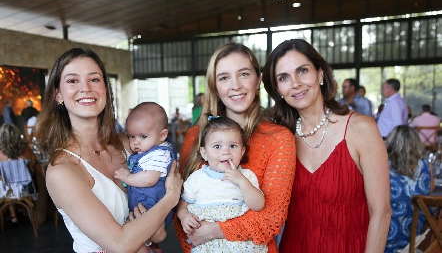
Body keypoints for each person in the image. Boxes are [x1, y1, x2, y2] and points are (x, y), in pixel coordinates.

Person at [34, 48, 182, 253]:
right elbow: (119, 245)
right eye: (72, 81)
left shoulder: (127, 144)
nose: (85, 88)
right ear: (58, 94)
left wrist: (157, 230)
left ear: (105, 88)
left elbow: (166, 175)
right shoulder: (63, 170)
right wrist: (170, 200)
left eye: (94, 79)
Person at [262, 39, 391, 252]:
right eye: (284, 78)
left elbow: (382, 211)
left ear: (320, 74)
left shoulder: (361, 129)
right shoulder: (279, 137)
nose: (295, 83)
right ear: (278, 89)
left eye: (302, 71)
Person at [174, 42, 296, 253]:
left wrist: (214, 231)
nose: (235, 85)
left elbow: (271, 220)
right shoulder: (196, 136)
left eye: (244, 74)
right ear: (215, 87)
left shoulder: (279, 139)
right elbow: (183, 213)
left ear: (258, 81)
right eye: (224, 77)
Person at [180, 116, 266, 252]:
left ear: (242, 152)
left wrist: (242, 182)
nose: (226, 151)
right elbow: (182, 206)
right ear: (204, 153)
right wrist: (184, 216)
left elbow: (258, 205)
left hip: (240, 244)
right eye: (217, 146)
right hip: (208, 245)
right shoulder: (197, 178)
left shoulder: (247, 176)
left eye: (233, 146)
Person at [114, 102, 176, 248]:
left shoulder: (159, 154)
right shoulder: (149, 151)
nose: (135, 142)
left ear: (162, 135)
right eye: (131, 136)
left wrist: (127, 178)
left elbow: (150, 179)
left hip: (151, 203)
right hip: (145, 203)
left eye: (143, 136)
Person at [385, 125, 434, 252]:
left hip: (387, 237)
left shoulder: (383, 164)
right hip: (418, 239)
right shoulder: (426, 165)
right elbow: (430, 190)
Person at [0, 123, 42, 224]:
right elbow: (39, 170)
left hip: (6, 192)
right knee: (38, 178)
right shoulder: (26, 150)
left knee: (7, 182)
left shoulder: (0, 154)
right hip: (27, 190)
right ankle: (34, 213)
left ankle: (13, 215)